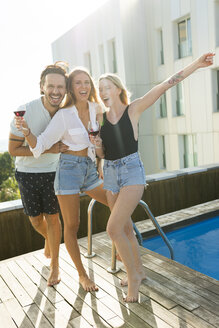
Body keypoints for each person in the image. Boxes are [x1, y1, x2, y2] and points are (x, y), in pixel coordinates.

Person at [94, 52, 215, 302]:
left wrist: (197, 64)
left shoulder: (134, 109)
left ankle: (134, 279)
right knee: (125, 229)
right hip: (111, 172)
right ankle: (138, 270)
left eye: (107, 86)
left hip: (131, 172)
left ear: (117, 89)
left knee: (113, 228)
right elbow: (104, 152)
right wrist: (97, 147)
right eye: (100, 88)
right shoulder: (99, 119)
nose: (103, 91)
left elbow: (166, 84)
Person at [15, 67, 108, 292]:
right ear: (71, 89)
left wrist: (101, 162)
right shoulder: (64, 115)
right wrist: (27, 131)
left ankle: (125, 253)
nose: (83, 86)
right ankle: (82, 275)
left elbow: (103, 141)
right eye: (78, 83)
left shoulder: (97, 109)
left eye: (86, 82)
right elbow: (39, 147)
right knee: (72, 225)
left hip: (89, 170)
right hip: (67, 171)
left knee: (116, 203)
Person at [8, 63, 69, 286]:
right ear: (42, 87)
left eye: (60, 86)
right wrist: (49, 149)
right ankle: (49, 240)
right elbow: (13, 150)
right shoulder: (24, 112)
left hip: (53, 172)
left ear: (65, 88)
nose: (55, 91)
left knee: (53, 218)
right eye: (51, 86)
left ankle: (55, 267)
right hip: (26, 173)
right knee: (35, 221)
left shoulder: (67, 111)